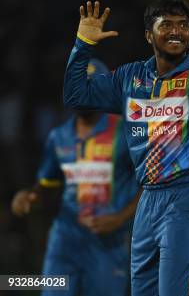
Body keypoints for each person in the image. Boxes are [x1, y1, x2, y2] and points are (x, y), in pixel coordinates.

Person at [63, 0, 189, 295]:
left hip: (187, 194)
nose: (176, 31)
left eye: (183, 25)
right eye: (166, 25)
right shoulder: (130, 78)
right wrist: (82, 45)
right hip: (148, 199)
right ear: (148, 35)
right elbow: (76, 96)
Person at [12, 59, 140, 296]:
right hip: (64, 241)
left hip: (109, 244)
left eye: (90, 86)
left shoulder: (126, 131)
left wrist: (120, 219)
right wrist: (29, 197)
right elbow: (46, 186)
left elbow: (149, 184)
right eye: (77, 85)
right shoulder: (58, 137)